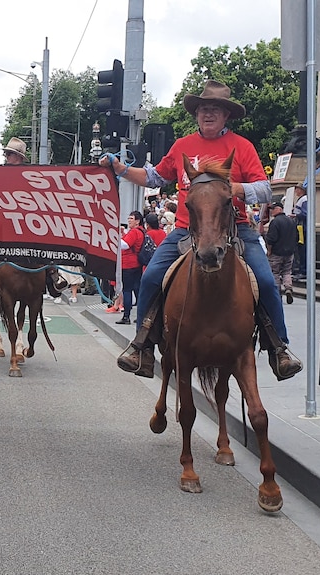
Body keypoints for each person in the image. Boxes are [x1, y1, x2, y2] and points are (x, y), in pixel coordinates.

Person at [100, 80, 301, 380]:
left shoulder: (242, 147)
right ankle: (142, 346)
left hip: (236, 230)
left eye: (215, 109)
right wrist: (122, 169)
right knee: (152, 276)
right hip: (185, 230)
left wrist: (233, 188)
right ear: (196, 113)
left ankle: (278, 348)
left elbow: (264, 190)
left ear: (226, 116)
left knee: (266, 282)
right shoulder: (182, 146)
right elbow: (155, 177)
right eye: (203, 109)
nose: (208, 114)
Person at [0, 137, 67, 299]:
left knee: (48, 239)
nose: (6, 158)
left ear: (18, 157)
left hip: (26, 222)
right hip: (4, 222)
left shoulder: (31, 176)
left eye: (9, 154)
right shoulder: (0, 175)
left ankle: (54, 274)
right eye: (6, 154)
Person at [263, 201, 297, 304]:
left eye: (274, 209)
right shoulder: (291, 221)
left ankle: (277, 293)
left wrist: (269, 250)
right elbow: (296, 236)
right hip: (289, 252)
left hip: (276, 252)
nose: (272, 211)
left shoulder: (275, 222)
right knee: (287, 271)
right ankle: (288, 288)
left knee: (275, 273)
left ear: (280, 209)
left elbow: (271, 238)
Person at [117, 211, 146, 325]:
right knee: (137, 289)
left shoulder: (134, 232)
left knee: (127, 290)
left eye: (131, 218)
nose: (129, 220)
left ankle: (126, 316)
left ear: (137, 221)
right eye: (129, 218)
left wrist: (115, 239)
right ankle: (141, 315)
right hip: (137, 264)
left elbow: (125, 245)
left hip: (128, 264)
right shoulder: (142, 231)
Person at [292, 184, 308, 281]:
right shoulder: (302, 199)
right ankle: (302, 270)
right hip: (301, 228)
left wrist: (296, 216)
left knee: (303, 250)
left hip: (303, 228)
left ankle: (304, 270)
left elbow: (306, 214)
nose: (296, 192)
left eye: (297, 190)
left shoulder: (304, 199)